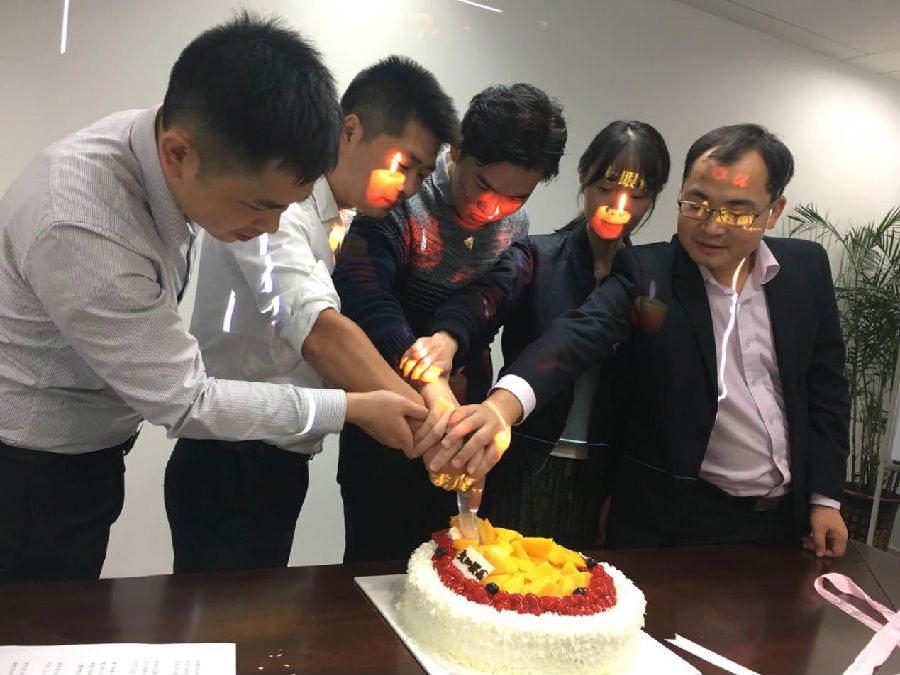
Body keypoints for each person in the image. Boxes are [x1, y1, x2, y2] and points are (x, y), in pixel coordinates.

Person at [0, 13, 424, 584]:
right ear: (178, 154)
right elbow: (186, 400)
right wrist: (352, 407)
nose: (271, 228)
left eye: (286, 208)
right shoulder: (85, 224)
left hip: (87, 458)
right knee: (37, 627)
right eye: (261, 205)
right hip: (32, 472)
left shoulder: (166, 146)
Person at [164, 56, 460, 573]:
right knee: (224, 616)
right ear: (350, 130)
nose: (409, 187)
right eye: (402, 164)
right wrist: (432, 422)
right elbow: (319, 331)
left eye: (421, 174)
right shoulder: (278, 208)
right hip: (232, 458)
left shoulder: (341, 222)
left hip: (276, 458)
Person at [402, 121, 670, 549]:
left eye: (638, 196)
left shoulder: (650, 282)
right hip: (523, 459)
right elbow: (486, 297)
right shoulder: (537, 254)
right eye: (605, 188)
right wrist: (448, 337)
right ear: (583, 176)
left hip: (602, 473)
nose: (619, 206)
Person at [332, 83, 567, 562]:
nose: (493, 207)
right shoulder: (405, 198)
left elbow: (490, 303)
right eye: (483, 185)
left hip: (464, 423)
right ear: (458, 151)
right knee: (376, 565)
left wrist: (452, 344)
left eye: (516, 196)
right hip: (389, 419)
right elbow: (365, 296)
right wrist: (431, 380)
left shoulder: (514, 227)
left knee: (459, 569)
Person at [602, 124, 849, 556]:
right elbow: (582, 340)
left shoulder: (806, 268)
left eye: (737, 212)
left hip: (789, 524)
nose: (712, 227)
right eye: (697, 204)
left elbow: (826, 389)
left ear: (773, 211)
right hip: (682, 522)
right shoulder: (646, 272)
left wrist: (825, 497)